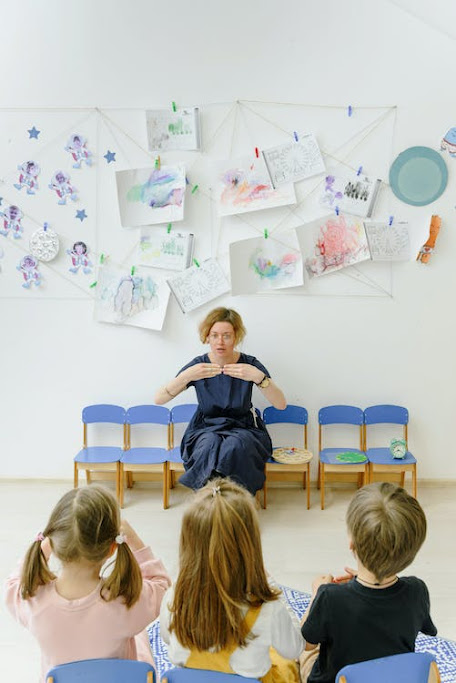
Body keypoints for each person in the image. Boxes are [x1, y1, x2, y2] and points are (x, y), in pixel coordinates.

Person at [4, 485, 171, 682]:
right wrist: (134, 540)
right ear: (112, 548)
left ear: (54, 544)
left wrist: (43, 549)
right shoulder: (127, 600)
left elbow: (13, 584)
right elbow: (161, 584)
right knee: (141, 638)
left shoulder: (33, 602)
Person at [160, 477, 304, 682]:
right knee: (286, 664)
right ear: (250, 546)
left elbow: (166, 637)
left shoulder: (173, 598)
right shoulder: (268, 609)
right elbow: (295, 648)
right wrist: (273, 590)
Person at [299, 482, 437, 683]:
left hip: (339, 679)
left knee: (304, 653)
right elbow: (423, 628)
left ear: (352, 543)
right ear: (411, 552)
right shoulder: (417, 591)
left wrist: (316, 595)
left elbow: (306, 643)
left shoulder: (329, 597)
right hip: (392, 678)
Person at [154, 307, 286, 494]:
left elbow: (281, 404)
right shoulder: (198, 365)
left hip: (243, 427)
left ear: (236, 337)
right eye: (214, 335)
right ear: (207, 336)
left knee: (235, 446)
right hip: (205, 427)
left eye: (226, 336)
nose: (220, 342)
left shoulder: (249, 363)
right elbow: (159, 398)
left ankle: (236, 501)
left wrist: (259, 377)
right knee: (208, 445)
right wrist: (187, 376)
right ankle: (209, 499)